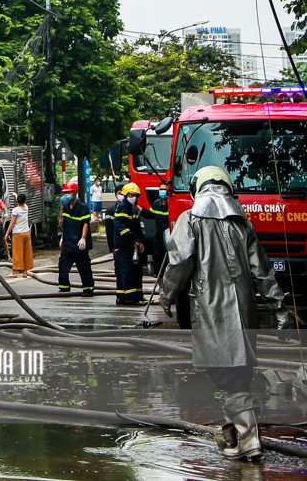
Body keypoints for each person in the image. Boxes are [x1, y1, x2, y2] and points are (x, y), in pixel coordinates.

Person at [160, 164, 287, 461]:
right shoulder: (242, 221)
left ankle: (248, 437)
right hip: (245, 309)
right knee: (238, 373)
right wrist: (280, 309)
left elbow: (179, 264)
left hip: (211, 310)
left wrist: (167, 296)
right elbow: (263, 272)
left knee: (226, 375)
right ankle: (235, 433)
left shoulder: (189, 218)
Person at [57, 178, 95, 296]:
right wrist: (63, 237)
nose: (66, 195)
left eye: (69, 193)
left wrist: (83, 238)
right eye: (65, 193)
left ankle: (88, 289)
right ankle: (64, 287)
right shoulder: (66, 207)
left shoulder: (83, 207)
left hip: (79, 243)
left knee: (84, 267)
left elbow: (85, 224)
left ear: (75, 193)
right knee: (63, 266)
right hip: (68, 242)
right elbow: (64, 223)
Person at [111, 182, 144, 305]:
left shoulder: (133, 208)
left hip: (131, 244)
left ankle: (131, 296)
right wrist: (132, 238)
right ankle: (129, 297)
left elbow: (137, 227)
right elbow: (120, 225)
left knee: (134, 271)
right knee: (126, 271)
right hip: (124, 245)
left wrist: (140, 240)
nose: (133, 197)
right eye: (131, 194)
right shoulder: (123, 207)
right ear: (126, 195)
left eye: (135, 195)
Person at [140, 186, 170, 279]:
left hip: (171, 238)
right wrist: (138, 207)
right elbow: (150, 215)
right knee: (158, 262)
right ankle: (161, 286)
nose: (162, 191)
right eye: (161, 189)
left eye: (165, 189)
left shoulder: (172, 204)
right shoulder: (156, 204)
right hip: (158, 238)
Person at [7, 193, 34, 277]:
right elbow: (21, 201)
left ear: (17, 200)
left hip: (18, 233)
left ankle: (15, 272)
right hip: (26, 232)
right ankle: (25, 272)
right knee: (26, 252)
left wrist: (7, 233)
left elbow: (12, 222)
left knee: (17, 253)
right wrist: (16, 195)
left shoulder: (15, 210)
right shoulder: (26, 207)